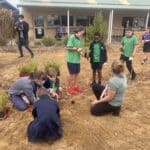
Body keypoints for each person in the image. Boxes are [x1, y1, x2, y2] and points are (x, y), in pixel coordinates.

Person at [66, 26, 85, 94]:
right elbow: (68, 47)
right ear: (79, 31)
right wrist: (77, 49)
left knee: (77, 74)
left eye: (83, 33)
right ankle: (69, 88)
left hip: (77, 60)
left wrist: (85, 55)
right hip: (71, 60)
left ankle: (75, 86)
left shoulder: (79, 40)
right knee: (72, 75)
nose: (82, 35)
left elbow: (80, 51)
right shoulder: (72, 37)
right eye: (82, 33)